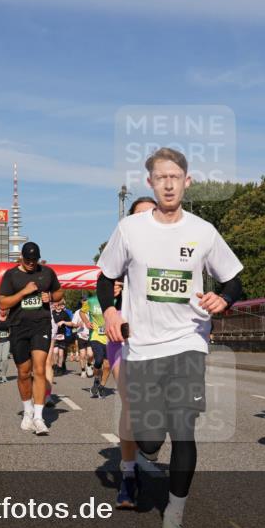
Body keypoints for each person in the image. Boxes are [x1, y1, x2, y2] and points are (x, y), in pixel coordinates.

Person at [98, 148, 243, 528]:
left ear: (187, 181)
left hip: (188, 341)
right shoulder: (130, 230)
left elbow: (233, 279)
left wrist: (224, 299)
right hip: (142, 348)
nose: (167, 183)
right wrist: (111, 312)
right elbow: (104, 278)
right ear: (150, 182)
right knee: (148, 438)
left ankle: (174, 513)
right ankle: (145, 456)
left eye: (175, 177)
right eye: (160, 177)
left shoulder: (203, 231)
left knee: (183, 428)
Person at [111, 195, 158, 509]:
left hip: (163, 340)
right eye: (138, 216)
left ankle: (149, 446)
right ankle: (128, 476)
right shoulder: (120, 252)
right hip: (124, 338)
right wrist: (112, 299)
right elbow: (103, 284)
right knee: (131, 402)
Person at [0, 242, 62, 435]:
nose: (32, 263)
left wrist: (50, 296)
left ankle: (39, 417)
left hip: (41, 325)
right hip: (18, 327)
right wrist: (23, 292)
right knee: (24, 372)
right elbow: (2, 302)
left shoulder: (47, 273)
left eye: (34, 260)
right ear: (22, 258)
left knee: (39, 369)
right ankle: (28, 411)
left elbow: (60, 292)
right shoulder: (11, 275)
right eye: (28, 260)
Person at [84, 293, 111, 398]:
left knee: (107, 365)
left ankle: (102, 386)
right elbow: (82, 312)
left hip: (109, 337)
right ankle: (96, 380)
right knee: (99, 360)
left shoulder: (113, 300)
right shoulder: (91, 301)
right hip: (95, 335)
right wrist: (86, 322)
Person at [0, 306, 12, 383]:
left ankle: (4, 376)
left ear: (7, 310)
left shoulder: (9, 318)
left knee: (5, 359)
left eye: (4, 310)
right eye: (1, 310)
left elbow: (11, 328)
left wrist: (10, 335)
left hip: (6, 341)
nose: (3, 311)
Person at [76, 300, 93, 378]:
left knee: (90, 354)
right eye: (83, 301)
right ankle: (83, 371)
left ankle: (89, 365)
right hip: (81, 336)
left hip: (90, 335)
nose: (85, 302)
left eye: (86, 301)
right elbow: (73, 324)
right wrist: (78, 324)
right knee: (82, 355)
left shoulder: (93, 310)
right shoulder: (78, 312)